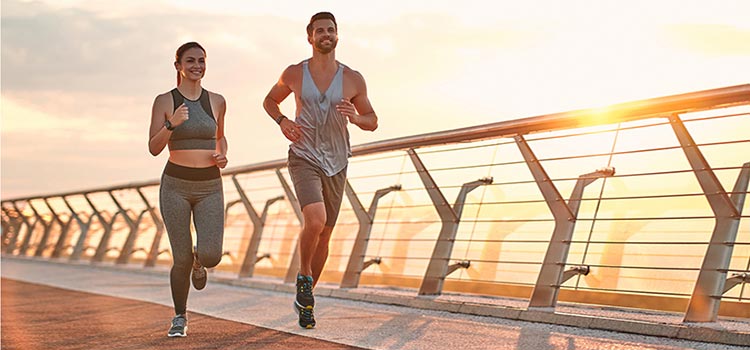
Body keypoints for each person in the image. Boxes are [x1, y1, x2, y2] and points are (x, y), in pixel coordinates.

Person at [263, 11, 378, 329]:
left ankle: (306, 299)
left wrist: (355, 117)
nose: (326, 34)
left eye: (331, 30)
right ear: (309, 36)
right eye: (320, 30)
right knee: (315, 219)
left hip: (337, 162)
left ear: (337, 36)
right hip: (304, 157)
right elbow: (270, 101)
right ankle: (303, 277)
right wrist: (283, 121)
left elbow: (373, 120)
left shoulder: (353, 78)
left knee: (325, 232)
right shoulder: (293, 73)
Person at [148, 41, 228, 337]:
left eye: (202, 61)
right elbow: (154, 148)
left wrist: (222, 154)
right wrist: (171, 124)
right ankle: (180, 316)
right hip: (176, 186)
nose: (197, 65)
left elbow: (221, 137)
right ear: (178, 65)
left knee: (211, 255)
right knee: (180, 258)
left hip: (210, 186)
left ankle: (200, 260)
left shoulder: (217, 100)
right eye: (191, 60)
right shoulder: (165, 100)